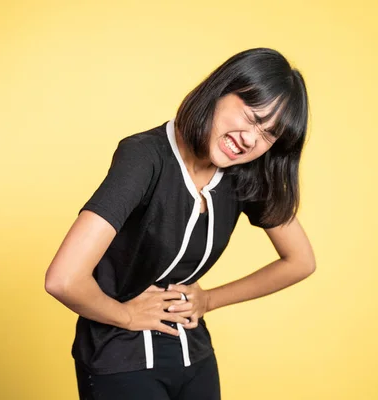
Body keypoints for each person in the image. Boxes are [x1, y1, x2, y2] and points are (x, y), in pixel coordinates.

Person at [45, 47, 316, 400]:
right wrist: (125, 316)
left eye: (268, 135)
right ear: (221, 91)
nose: (251, 138)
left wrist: (209, 300)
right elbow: (64, 279)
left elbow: (301, 261)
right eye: (251, 117)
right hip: (120, 358)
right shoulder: (145, 156)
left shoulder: (243, 175)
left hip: (194, 355)